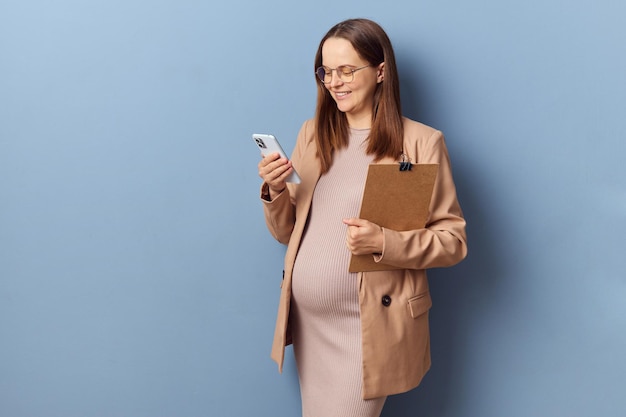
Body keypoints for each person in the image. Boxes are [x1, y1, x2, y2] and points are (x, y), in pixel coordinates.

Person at [257, 18, 467, 417]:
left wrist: (384, 242)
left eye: (347, 70)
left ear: (381, 70)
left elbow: (453, 240)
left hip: (367, 330)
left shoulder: (421, 143)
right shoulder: (312, 135)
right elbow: (287, 232)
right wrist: (276, 191)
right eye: (326, 71)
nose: (334, 81)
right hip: (310, 327)